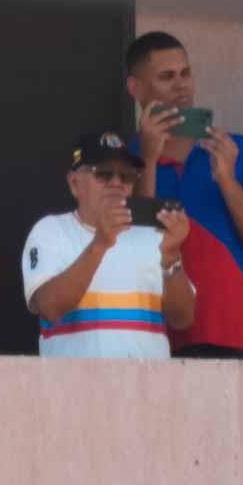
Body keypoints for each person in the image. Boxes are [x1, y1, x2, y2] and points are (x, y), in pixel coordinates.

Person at [127, 30, 243, 359]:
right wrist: (148, 160)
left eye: (186, 74)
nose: (182, 86)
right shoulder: (120, 161)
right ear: (136, 88)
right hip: (153, 339)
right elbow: (130, 247)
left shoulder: (239, 150)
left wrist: (227, 180)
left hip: (236, 333)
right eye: (167, 77)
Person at [22, 132, 194, 359]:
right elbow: (49, 307)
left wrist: (171, 257)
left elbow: (183, 319)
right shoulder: (51, 231)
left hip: (149, 381)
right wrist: (100, 244)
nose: (116, 182)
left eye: (126, 176)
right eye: (103, 173)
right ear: (74, 183)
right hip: (73, 381)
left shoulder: (154, 236)